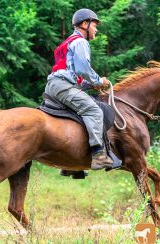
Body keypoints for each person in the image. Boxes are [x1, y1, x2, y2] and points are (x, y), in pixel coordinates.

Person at [44, 8, 113, 170]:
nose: (96, 29)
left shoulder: (67, 42)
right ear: (84, 24)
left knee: (75, 115)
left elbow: (72, 72)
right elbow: (83, 69)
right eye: (94, 25)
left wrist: (91, 84)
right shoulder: (81, 42)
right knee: (94, 111)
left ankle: (70, 165)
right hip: (63, 86)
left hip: (53, 86)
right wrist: (99, 80)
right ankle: (98, 155)